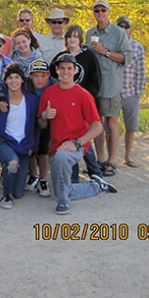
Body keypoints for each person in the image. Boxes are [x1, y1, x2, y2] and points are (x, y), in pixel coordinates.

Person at [37, 54, 118, 215]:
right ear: (57, 71)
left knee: (61, 166)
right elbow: (41, 124)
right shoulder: (49, 93)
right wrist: (45, 116)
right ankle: (95, 186)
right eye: (62, 68)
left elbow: (97, 127)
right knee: (60, 188)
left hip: (77, 146)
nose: (65, 72)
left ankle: (63, 203)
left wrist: (77, 143)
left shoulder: (83, 95)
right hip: (55, 146)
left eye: (69, 68)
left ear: (75, 71)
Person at [0, 63, 39, 209]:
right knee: (12, 162)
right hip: (5, 142)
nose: (13, 81)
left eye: (17, 77)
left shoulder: (31, 100)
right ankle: (5, 196)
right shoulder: (0, 101)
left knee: (18, 193)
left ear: (22, 80)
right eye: (10, 78)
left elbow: (36, 126)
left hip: (24, 145)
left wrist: (33, 146)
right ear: (5, 81)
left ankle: (10, 185)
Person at [50, 26, 104, 183]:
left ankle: (95, 173)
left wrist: (83, 96)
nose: (72, 40)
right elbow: (52, 73)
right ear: (66, 39)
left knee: (84, 137)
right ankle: (72, 176)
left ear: (80, 39)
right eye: (70, 37)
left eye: (76, 37)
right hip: (67, 105)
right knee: (70, 139)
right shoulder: (61, 57)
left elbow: (96, 81)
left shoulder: (89, 56)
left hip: (84, 103)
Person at [86, 0, 131, 177]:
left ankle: (112, 162)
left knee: (111, 122)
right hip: (94, 86)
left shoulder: (118, 33)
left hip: (111, 84)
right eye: (96, 10)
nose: (100, 13)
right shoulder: (90, 33)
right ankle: (100, 160)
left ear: (108, 12)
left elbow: (127, 58)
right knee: (96, 124)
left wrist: (105, 51)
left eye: (103, 10)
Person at [116, 16, 145, 168]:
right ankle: (111, 158)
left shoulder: (137, 47)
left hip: (130, 93)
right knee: (110, 127)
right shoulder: (111, 46)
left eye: (126, 27)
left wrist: (138, 92)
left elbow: (141, 72)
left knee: (130, 127)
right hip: (114, 93)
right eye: (120, 26)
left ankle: (127, 157)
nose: (123, 29)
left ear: (130, 29)